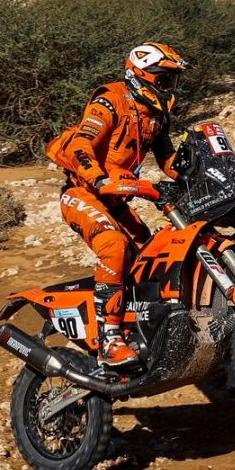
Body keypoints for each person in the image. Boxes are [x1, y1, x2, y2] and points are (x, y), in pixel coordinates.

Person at [45, 42, 188, 368]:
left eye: (173, 81)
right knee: (114, 245)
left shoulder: (155, 116)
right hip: (84, 194)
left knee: (151, 258)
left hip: (118, 200)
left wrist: (194, 171)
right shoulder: (110, 100)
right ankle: (109, 339)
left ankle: (145, 331)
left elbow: (168, 160)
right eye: (165, 80)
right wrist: (97, 179)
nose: (170, 88)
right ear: (142, 75)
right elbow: (83, 142)